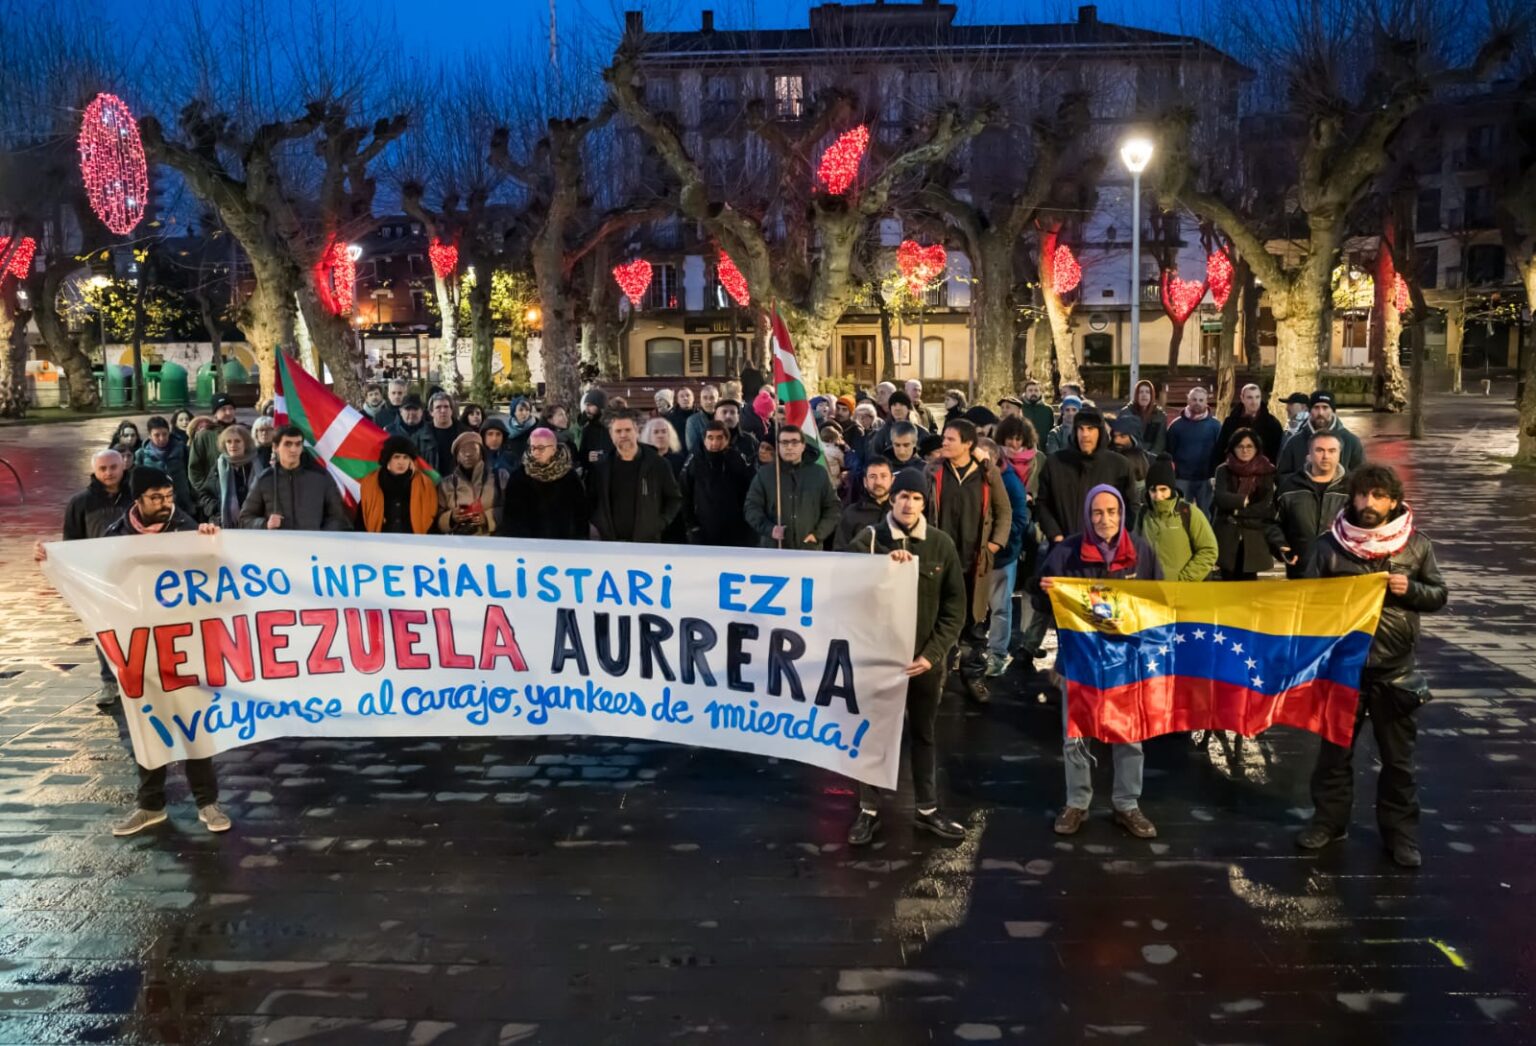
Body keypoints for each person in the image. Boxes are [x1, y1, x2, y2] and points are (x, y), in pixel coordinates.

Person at [38, 466, 231, 837]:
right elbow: (94, 576)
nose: (165, 504)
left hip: (184, 650)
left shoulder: (186, 529)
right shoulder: (116, 536)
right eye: (156, 498)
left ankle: (208, 803)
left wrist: (211, 541)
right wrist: (51, 558)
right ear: (138, 500)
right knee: (146, 728)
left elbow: (214, 573)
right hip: (140, 652)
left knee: (196, 731)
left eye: (169, 497)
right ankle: (150, 805)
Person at [1299, 464, 1448, 869]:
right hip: (1343, 672)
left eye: (1379, 496)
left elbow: (1438, 595)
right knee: (1333, 756)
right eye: (1363, 495)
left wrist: (1411, 589)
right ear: (1352, 498)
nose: (1369, 504)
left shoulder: (1415, 546)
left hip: (1395, 672)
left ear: (1394, 501)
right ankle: (1329, 823)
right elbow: (1304, 604)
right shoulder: (1328, 546)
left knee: (1398, 762)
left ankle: (1400, 836)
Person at [844, 469, 968, 845]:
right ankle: (868, 809)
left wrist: (933, 655)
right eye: (902, 496)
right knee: (873, 735)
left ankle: (927, 808)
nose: (909, 504)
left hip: (924, 663)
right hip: (878, 662)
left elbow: (954, 607)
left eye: (916, 498)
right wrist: (882, 563)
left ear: (924, 503)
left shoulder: (941, 545)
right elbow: (844, 583)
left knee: (923, 733)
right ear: (891, 499)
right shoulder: (868, 540)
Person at [1036, 485, 1164, 839]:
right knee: (1076, 734)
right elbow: (1039, 597)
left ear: (1122, 513)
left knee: (1130, 735)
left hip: (1127, 660)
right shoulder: (1067, 552)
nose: (1104, 519)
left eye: (1111, 512)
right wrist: (1045, 590)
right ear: (1087, 516)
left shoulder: (1141, 551)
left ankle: (1127, 804)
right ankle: (1077, 802)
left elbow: (1161, 598)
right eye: (1097, 512)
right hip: (1080, 659)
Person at [926, 418, 1011, 701]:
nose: (944, 443)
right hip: (941, 563)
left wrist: (995, 545)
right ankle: (937, 679)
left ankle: (974, 676)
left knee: (975, 626)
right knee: (938, 623)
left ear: (967, 444)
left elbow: (1004, 512)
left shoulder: (987, 474)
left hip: (976, 564)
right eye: (944, 438)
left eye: (950, 439)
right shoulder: (935, 471)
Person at [48, 449, 133, 707]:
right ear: (95, 471)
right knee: (103, 631)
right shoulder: (80, 502)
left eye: (113, 467)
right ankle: (109, 681)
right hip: (99, 578)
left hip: (134, 576)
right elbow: (70, 542)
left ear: (123, 466)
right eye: (103, 469)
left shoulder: (137, 496)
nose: (108, 473)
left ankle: (137, 680)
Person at [1035, 409, 1135, 545]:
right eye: (1080, 429)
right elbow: (1043, 504)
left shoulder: (1120, 466)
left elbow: (1131, 507)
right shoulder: (1055, 464)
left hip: (1106, 550)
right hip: (1064, 550)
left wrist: (1114, 537)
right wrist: (1056, 535)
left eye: (1090, 428)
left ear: (1100, 431)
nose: (1085, 434)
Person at [974, 437, 1031, 677]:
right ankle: (972, 652)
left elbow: (1019, 518)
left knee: (999, 608)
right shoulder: (973, 478)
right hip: (976, 556)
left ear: (995, 457)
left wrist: (998, 544)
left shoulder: (1010, 483)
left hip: (1001, 556)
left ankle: (996, 654)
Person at [587, 413, 683, 543]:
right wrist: (600, 524)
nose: (623, 435)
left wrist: (660, 523)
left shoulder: (658, 464)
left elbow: (674, 499)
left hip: (647, 542)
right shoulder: (601, 467)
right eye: (618, 431)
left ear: (637, 432)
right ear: (611, 435)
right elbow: (590, 500)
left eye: (628, 430)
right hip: (610, 543)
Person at [1267, 430, 1349, 579]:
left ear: (1339, 454)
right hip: (1301, 567)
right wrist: (1280, 546)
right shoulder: (1290, 486)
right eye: (1319, 450)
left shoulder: (1351, 489)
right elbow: (1271, 522)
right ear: (1309, 454)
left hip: (1342, 570)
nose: (1326, 456)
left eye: (1332, 451)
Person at [744, 426, 840, 550]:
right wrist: (770, 529)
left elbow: (833, 507)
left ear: (803, 446)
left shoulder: (818, 473)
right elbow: (751, 508)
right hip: (774, 549)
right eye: (784, 442)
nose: (789, 447)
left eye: (794, 442)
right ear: (778, 447)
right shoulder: (765, 474)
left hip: (809, 548)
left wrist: (818, 534)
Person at [238, 426, 352, 531]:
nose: (294, 449)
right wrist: (265, 524)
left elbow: (337, 517)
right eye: (288, 444)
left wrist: (321, 537)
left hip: (313, 549)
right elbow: (245, 519)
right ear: (275, 447)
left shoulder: (321, 477)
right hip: (278, 549)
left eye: (298, 444)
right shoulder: (264, 480)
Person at [1133, 459, 1219, 581]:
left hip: (1182, 592)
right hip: (1149, 590)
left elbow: (1209, 550)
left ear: (1172, 489)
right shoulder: (1143, 514)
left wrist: (1183, 579)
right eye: (1153, 490)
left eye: (1163, 489)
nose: (1158, 496)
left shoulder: (1189, 512)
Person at [1211, 428, 1277, 580]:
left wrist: (1236, 511)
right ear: (1233, 448)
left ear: (1256, 448)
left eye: (1249, 446)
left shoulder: (1266, 471)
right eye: (1240, 446)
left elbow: (1265, 506)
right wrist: (1243, 501)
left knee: (1250, 582)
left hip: (1253, 534)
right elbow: (1220, 498)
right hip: (1227, 535)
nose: (1245, 450)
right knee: (1227, 582)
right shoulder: (1223, 470)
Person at [501, 428, 588, 539]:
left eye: (541, 448)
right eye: (533, 448)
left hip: (564, 545)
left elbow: (581, 516)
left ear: (553, 448)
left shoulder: (570, 477)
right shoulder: (519, 477)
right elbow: (511, 519)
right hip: (528, 546)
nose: (536, 452)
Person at [680, 419, 756, 546]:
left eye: (719, 437)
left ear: (727, 439)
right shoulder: (694, 461)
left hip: (734, 530)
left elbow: (748, 492)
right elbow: (684, 494)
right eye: (710, 438)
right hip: (703, 529)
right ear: (704, 440)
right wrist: (692, 526)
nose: (714, 442)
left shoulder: (737, 459)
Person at [358, 435, 438, 534]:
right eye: (396, 457)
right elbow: (361, 521)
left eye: (405, 457)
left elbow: (433, 521)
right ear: (388, 459)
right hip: (379, 543)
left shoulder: (425, 485)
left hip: (415, 544)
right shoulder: (371, 484)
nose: (401, 462)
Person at [1276, 391, 1365, 476]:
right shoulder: (1294, 442)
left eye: (1325, 407)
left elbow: (1360, 476)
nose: (1320, 413)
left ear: (1333, 411)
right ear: (1310, 410)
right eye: (1316, 407)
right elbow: (1282, 475)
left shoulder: (1351, 441)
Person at [1163, 386, 1221, 515]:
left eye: (1201, 400)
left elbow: (1220, 452)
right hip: (1182, 478)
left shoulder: (1215, 426)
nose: (1197, 403)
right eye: (1194, 399)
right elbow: (1169, 451)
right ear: (1188, 401)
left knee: (1206, 515)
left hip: (1206, 478)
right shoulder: (1176, 425)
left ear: (1206, 402)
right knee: (1180, 514)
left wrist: (1215, 475)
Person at [437, 431, 506, 536]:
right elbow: (436, 517)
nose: (468, 454)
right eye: (463, 450)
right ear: (457, 457)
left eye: (473, 449)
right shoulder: (446, 484)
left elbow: (512, 510)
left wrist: (487, 518)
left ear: (481, 453)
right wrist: (451, 517)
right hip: (458, 544)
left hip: (493, 542)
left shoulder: (500, 477)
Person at [200, 424, 263, 528]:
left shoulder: (257, 464)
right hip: (223, 525)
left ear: (245, 443)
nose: (233, 445)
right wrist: (218, 509)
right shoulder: (219, 466)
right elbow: (204, 494)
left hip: (253, 524)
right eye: (229, 441)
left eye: (237, 441)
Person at [834, 454, 894, 550]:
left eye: (883, 476)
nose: (878, 482)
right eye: (872, 477)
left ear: (892, 479)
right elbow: (840, 550)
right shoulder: (851, 513)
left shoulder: (901, 511)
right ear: (865, 482)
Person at [1215, 383, 1285, 465]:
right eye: (1249, 397)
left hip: (1263, 472)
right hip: (1233, 472)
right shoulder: (1231, 422)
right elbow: (1220, 451)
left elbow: (1278, 453)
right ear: (1242, 398)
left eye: (1257, 397)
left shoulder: (1272, 424)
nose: (1254, 402)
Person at [135, 415, 193, 512]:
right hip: (155, 502)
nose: (161, 438)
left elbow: (191, 472)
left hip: (182, 501)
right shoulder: (141, 454)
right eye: (157, 435)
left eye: (165, 434)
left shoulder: (182, 449)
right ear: (149, 435)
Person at [188, 393, 238, 495]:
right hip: (214, 493)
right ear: (215, 413)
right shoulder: (204, 436)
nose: (228, 412)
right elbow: (194, 468)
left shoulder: (242, 432)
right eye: (223, 409)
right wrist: (204, 492)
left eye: (231, 409)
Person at [413, 392, 467, 474]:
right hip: (432, 483)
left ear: (451, 410)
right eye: (438, 407)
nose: (443, 410)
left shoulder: (464, 434)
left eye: (446, 407)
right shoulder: (420, 437)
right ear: (431, 412)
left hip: (459, 483)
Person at [1108, 414, 1154, 504]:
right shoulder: (1109, 458)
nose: (1116, 441)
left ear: (1134, 438)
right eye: (1115, 436)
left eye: (1122, 436)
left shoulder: (1151, 460)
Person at [1122, 379, 1167, 455]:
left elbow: (1160, 442)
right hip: (1131, 456)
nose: (1144, 395)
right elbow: (1122, 439)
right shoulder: (1126, 413)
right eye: (1141, 392)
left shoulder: (1160, 416)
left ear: (1152, 395)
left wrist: (1150, 457)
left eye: (1147, 392)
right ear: (1136, 395)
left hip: (1152, 458)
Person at [575, 388, 613, 469]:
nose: (586, 409)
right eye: (586, 405)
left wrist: (605, 457)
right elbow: (581, 456)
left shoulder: (613, 427)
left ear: (601, 406)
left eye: (590, 405)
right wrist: (587, 457)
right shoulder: (587, 429)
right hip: (593, 477)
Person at [1019, 380, 1056, 449]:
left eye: (1036, 390)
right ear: (1025, 393)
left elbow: (1052, 430)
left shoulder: (1047, 410)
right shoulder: (1019, 409)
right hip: (1024, 450)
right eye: (1030, 390)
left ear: (1040, 392)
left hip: (1044, 450)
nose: (1033, 393)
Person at [685, 384, 721, 455]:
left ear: (718, 400)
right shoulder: (692, 421)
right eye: (705, 398)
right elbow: (692, 447)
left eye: (712, 398)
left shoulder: (723, 418)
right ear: (701, 401)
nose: (709, 402)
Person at [505, 397, 538, 464]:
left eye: (527, 410)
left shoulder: (537, 426)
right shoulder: (507, 428)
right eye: (521, 410)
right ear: (514, 412)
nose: (524, 413)